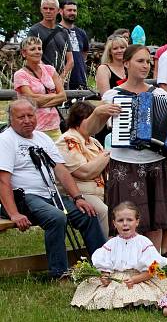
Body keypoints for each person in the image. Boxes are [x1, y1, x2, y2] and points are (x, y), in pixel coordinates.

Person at [0, 99, 106, 279]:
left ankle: (104, 266)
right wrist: (14, 214)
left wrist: (78, 197)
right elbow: (3, 180)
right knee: (56, 217)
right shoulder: (5, 140)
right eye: (21, 117)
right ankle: (59, 273)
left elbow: (62, 171)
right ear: (11, 119)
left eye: (30, 115)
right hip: (24, 197)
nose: (27, 120)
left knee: (88, 212)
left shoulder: (42, 138)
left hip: (51, 195)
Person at [103, 44, 167, 253]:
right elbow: (92, 128)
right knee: (126, 218)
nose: (145, 66)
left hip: (157, 162)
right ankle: (126, 261)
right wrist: (100, 113)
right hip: (125, 164)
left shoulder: (160, 94)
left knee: (156, 219)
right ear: (126, 63)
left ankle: (152, 264)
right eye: (140, 61)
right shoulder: (112, 95)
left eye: (148, 61)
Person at [70, 202, 167, 309]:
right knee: (104, 292)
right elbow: (105, 264)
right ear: (114, 223)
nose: (125, 223)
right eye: (120, 220)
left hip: (139, 277)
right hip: (116, 277)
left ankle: (135, 303)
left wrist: (136, 279)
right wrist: (105, 275)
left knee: (138, 292)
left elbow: (153, 269)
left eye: (129, 220)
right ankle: (123, 303)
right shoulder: (111, 244)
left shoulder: (143, 242)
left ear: (137, 222)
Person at [56, 102, 115, 238]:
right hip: (77, 194)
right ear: (79, 120)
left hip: (100, 192)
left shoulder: (93, 142)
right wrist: (108, 153)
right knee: (104, 211)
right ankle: (109, 253)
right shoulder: (68, 140)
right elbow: (84, 172)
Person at [13, 36, 66, 140]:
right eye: (32, 49)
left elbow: (63, 96)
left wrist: (39, 101)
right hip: (34, 127)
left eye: (39, 48)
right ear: (24, 53)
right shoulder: (20, 75)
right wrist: (53, 96)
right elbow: (31, 101)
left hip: (54, 125)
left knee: (57, 155)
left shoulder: (50, 69)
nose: (37, 52)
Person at [27, 0, 73, 80]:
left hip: (62, 80)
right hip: (41, 78)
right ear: (41, 10)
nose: (48, 11)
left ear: (58, 11)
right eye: (45, 8)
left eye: (51, 9)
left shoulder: (63, 32)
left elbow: (70, 60)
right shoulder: (34, 31)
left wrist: (61, 78)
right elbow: (31, 56)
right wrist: (49, 76)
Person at [57, 0, 89, 90]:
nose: (72, 13)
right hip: (61, 79)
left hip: (80, 79)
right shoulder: (55, 32)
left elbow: (85, 51)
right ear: (61, 11)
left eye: (74, 10)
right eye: (69, 10)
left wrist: (80, 65)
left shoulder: (81, 33)